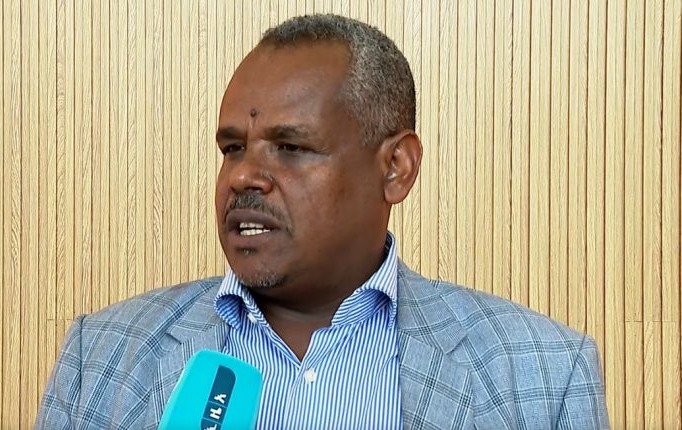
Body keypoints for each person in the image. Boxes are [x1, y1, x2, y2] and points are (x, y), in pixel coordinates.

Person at [36, 14, 609, 429]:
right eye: (233, 148)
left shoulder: (543, 374)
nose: (243, 176)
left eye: (290, 147)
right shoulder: (101, 357)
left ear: (396, 168)